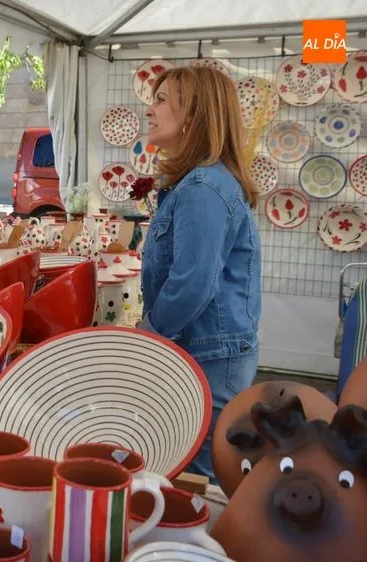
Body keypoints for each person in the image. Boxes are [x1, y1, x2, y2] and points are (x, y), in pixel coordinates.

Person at [139, 66, 262, 482]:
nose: (149, 109)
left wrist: (149, 336)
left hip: (209, 356)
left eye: (160, 99)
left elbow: (192, 285)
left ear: (192, 115)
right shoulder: (203, 182)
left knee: (198, 479)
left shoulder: (202, 188)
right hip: (211, 352)